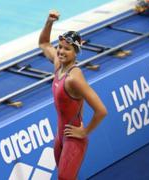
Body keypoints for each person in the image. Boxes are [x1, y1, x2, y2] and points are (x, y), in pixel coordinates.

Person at [39, 10, 108, 180]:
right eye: (60, 47)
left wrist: (84, 132)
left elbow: (101, 110)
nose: (61, 52)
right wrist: (49, 22)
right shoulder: (58, 65)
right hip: (61, 136)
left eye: (67, 49)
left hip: (73, 139)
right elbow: (44, 43)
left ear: (75, 52)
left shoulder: (74, 78)